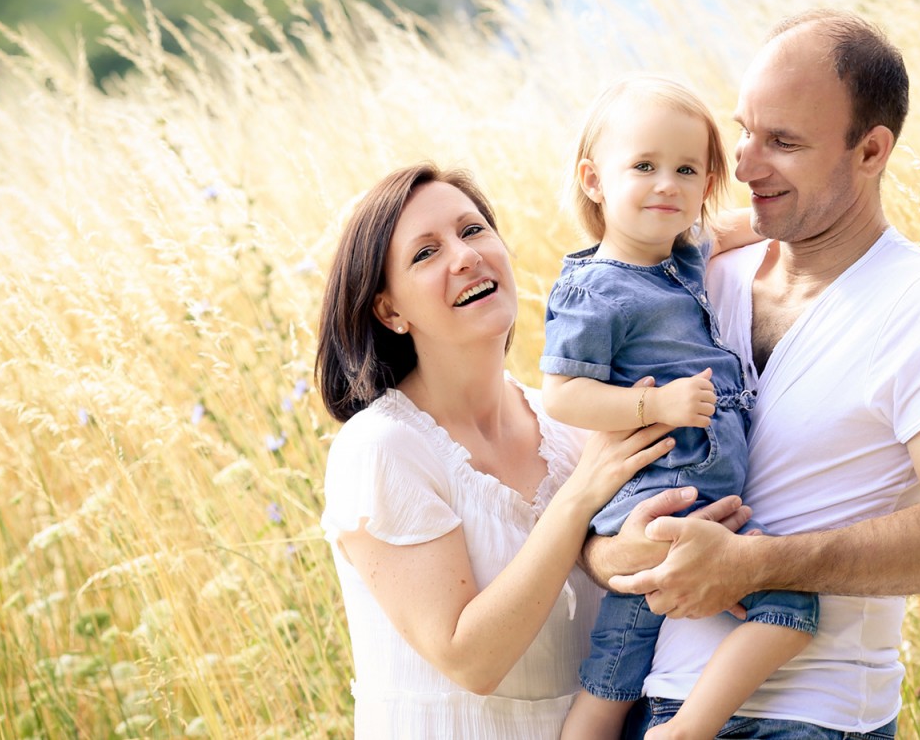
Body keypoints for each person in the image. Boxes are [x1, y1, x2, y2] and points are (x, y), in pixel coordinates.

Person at [584, 10, 920, 739]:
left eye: (782, 142)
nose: (744, 165)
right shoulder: (695, 280)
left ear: (872, 150)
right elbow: (598, 494)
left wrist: (754, 565)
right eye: (744, 129)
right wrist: (618, 552)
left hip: (809, 717)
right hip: (653, 704)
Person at [314, 163, 743, 739]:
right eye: (425, 253)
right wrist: (579, 498)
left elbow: (610, 569)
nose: (464, 257)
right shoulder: (383, 448)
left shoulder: (571, 424)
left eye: (472, 231)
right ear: (391, 311)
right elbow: (471, 660)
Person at [540, 75, 818, 740]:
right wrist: (654, 401)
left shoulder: (681, 258)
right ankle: (690, 728)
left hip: (695, 508)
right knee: (787, 610)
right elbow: (562, 393)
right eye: (644, 166)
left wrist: (809, 202)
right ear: (594, 180)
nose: (666, 183)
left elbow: (742, 223)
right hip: (660, 509)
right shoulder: (596, 289)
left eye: (686, 170)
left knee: (617, 670)